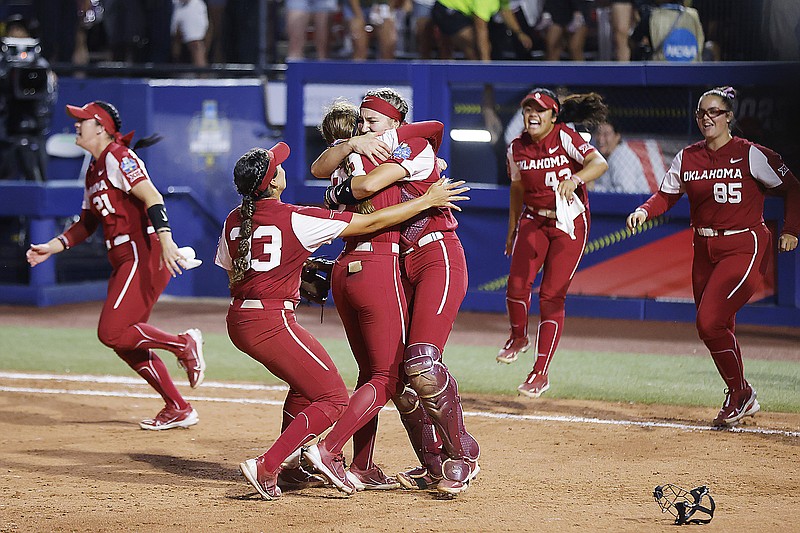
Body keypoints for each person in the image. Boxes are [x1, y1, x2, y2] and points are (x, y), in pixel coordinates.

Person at [217, 142, 468, 500]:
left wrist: (294, 271)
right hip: (272, 320)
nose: (285, 169)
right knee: (333, 398)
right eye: (280, 167)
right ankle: (269, 464)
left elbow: (236, 274)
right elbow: (373, 221)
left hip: (239, 318)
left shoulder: (232, 219)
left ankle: (290, 467)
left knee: (305, 387)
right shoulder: (295, 216)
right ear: (274, 183)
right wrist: (427, 201)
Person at [311, 88, 480, 496]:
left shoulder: (416, 143)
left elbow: (367, 186)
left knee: (421, 362)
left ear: (395, 123)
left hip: (437, 253)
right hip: (399, 263)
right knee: (398, 376)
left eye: (373, 121)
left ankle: (464, 455)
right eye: (362, 121)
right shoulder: (369, 150)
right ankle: (434, 463)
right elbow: (325, 171)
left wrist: (341, 189)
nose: (365, 127)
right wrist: (346, 165)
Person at [25, 100, 207, 430]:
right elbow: (87, 222)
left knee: (111, 331)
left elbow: (153, 196)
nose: (76, 125)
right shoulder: (95, 168)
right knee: (124, 341)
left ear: (102, 128)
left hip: (144, 253)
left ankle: (184, 343)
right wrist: (52, 247)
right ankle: (178, 407)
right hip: (126, 258)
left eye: (83, 120)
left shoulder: (118, 157)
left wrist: (166, 240)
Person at [626, 86, 800, 427]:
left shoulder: (750, 154)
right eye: (702, 112)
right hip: (704, 248)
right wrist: (645, 211)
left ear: (729, 116)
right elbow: (666, 194)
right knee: (721, 325)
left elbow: (792, 187)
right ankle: (739, 394)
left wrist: (792, 228)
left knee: (708, 322)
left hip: (743, 245)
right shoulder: (688, 156)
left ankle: (741, 393)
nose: (707, 118)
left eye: (715, 112)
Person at [497, 88, 609, 399]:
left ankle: (540, 372)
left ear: (553, 116)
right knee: (516, 286)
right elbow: (517, 189)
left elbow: (599, 164)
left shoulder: (563, 138)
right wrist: (512, 227)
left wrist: (576, 179)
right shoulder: (516, 147)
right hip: (533, 219)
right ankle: (518, 338)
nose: (533, 115)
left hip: (568, 222)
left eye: (541, 110)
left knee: (551, 296)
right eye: (528, 109)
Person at [593, 120, 660, 193]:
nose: (600, 138)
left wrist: (594, 188)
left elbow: (625, 191)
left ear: (617, 136)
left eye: (606, 134)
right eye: (598, 133)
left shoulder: (621, 156)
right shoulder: (605, 156)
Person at [171, 0, 209, 67]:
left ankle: (202, 76)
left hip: (191, 5)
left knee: (195, 44)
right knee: (174, 42)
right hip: (171, 5)